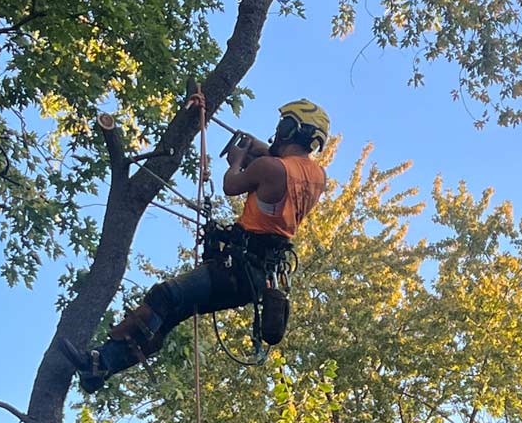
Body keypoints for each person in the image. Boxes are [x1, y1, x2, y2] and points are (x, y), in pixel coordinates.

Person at [62, 99, 330, 393]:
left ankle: (101, 362)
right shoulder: (318, 178)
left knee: (164, 297)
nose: (278, 132)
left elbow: (232, 184)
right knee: (169, 315)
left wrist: (239, 159)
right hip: (253, 278)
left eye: (283, 125)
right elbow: (283, 168)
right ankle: (99, 366)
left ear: (291, 130)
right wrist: (256, 147)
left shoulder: (269, 167)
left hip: (234, 269)